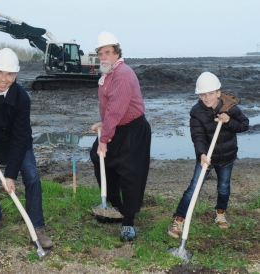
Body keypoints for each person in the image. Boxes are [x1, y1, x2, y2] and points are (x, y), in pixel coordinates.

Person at [0, 48, 53, 248]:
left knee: (32, 179)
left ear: (15, 76)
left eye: (9, 74)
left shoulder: (22, 99)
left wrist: (10, 175)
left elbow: (19, 138)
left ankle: (38, 228)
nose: (3, 78)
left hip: (17, 145)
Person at [167, 72, 249, 238]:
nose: (207, 97)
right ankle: (178, 220)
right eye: (203, 94)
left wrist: (229, 121)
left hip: (227, 157)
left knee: (224, 188)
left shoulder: (231, 108)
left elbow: (244, 125)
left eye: (210, 93)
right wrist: (202, 154)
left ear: (218, 93)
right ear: (199, 95)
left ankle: (220, 214)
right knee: (193, 189)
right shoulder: (196, 112)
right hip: (206, 158)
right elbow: (197, 136)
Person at [90, 31, 151, 242]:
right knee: (99, 158)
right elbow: (109, 108)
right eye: (100, 53)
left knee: (130, 174)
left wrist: (104, 140)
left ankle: (128, 222)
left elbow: (117, 109)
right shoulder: (108, 75)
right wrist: (104, 122)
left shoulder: (123, 74)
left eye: (107, 52)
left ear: (116, 53)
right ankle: (116, 205)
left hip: (134, 130)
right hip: (117, 126)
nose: (103, 57)